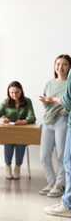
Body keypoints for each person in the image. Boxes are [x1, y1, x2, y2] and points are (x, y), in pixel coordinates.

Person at [39, 55, 71, 197]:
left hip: (61, 122)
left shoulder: (68, 83)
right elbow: (47, 103)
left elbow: (68, 103)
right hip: (47, 122)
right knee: (44, 155)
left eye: (64, 64)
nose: (60, 67)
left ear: (69, 67)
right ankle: (52, 182)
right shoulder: (50, 83)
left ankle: (60, 184)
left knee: (61, 155)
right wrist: (45, 102)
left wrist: (63, 112)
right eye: (58, 64)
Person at [0, 81, 36, 180]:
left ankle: (18, 167)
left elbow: (32, 118)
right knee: (8, 143)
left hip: (22, 131)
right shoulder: (5, 102)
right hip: (8, 131)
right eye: (11, 92)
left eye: (17, 92)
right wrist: (0, 120)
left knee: (20, 144)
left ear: (21, 91)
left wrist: (23, 122)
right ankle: (8, 167)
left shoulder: (27, 101)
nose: (14, 95)